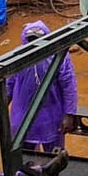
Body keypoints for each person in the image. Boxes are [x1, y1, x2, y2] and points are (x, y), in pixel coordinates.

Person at [7, 20, 77, 152]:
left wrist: (69, 114)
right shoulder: (17, 57)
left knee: (54, 159)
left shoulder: (58, 56)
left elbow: (68, 85)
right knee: (26, 159)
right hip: (23, 117)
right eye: (31, 39)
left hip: (52, 117)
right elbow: (8, 85)